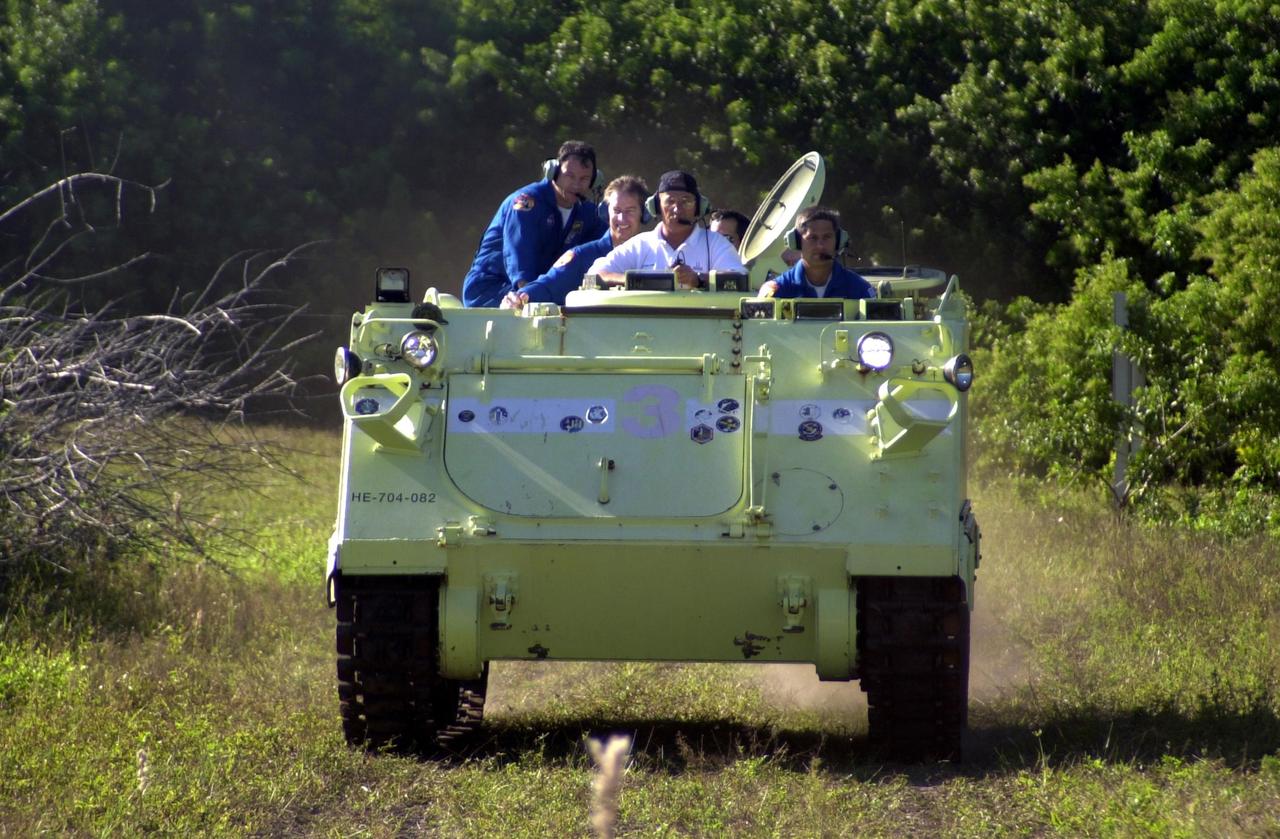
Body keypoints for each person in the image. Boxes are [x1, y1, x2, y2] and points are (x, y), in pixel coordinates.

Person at [461, 140, 607, 307]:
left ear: (594, 181)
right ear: (554, 171)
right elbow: (520, 256)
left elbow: (607, 245)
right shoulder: (526, 203)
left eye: (584, 178)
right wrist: (528, 294)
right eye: (569, 175)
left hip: (535, 293)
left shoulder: (587, 213)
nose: (576, 184)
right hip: (490, 290)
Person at [502, 175, 650, 309]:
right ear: (606, 213)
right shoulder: (582, 257)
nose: (622, 219)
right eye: (616, 210)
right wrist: (520, 297)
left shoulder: (656, 253)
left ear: (644, 214)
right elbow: (548, 285)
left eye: (630, 211)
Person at [588, 170, 744, 289]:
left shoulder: (716, 243)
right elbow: (593, 274)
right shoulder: (641, 244)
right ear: (656, 206)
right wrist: (635, 280)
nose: (677, 209)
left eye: (686, 201)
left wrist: (698, 279)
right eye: (670, 201)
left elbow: (740, 278)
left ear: (699, 207)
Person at [757, 207, 875, 300]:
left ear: (839, 241)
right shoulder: (777, 291)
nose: (820, 245)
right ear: (797, 242)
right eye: (812, 238)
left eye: (827, 237)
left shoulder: (860, 290)